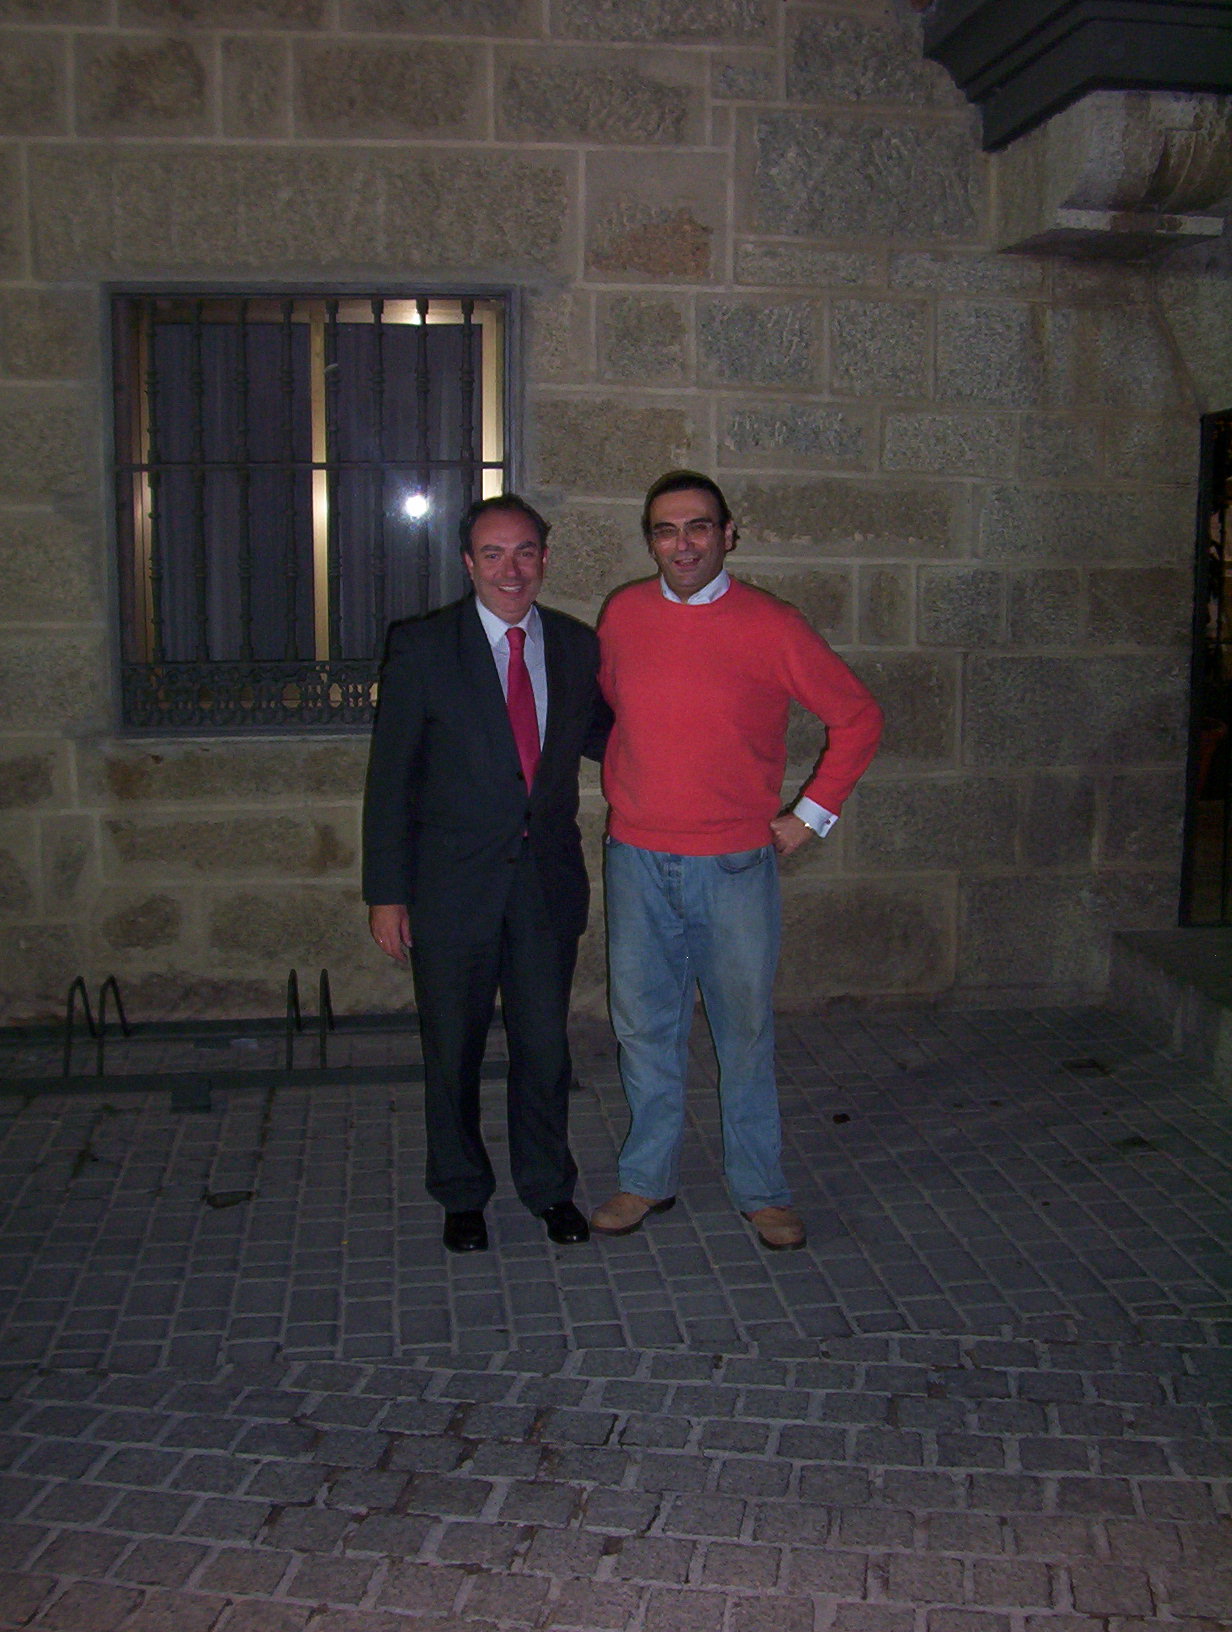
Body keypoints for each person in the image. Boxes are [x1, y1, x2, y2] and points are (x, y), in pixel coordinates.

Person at [592, 470, 883, 1251]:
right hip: (637, 859)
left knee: (743, 1033)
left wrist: (808, 817)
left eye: (697, 528)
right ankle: (645, 1178)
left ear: (728, 534)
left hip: (733, 868)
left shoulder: (772, 625)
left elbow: (857, 716)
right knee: (644, 1029)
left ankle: (761, 1189)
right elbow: (617, 712)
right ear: (649, 539)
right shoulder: (621, 615)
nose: (681, 544)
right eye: (664, 529)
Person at [363, 494, 610, 1254]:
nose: (512, 569)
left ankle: (547, 1189)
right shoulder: (423, 647)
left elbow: (621, 739)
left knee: (544, 1047)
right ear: (469, 564)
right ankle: (462, 1194)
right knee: (454, 1047)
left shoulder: (575, 646)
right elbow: (391, 779)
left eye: (526, 551)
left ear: (544, 558)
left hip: (545, 887)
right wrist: (387, 893)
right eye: (494, 554)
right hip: (450, 889)